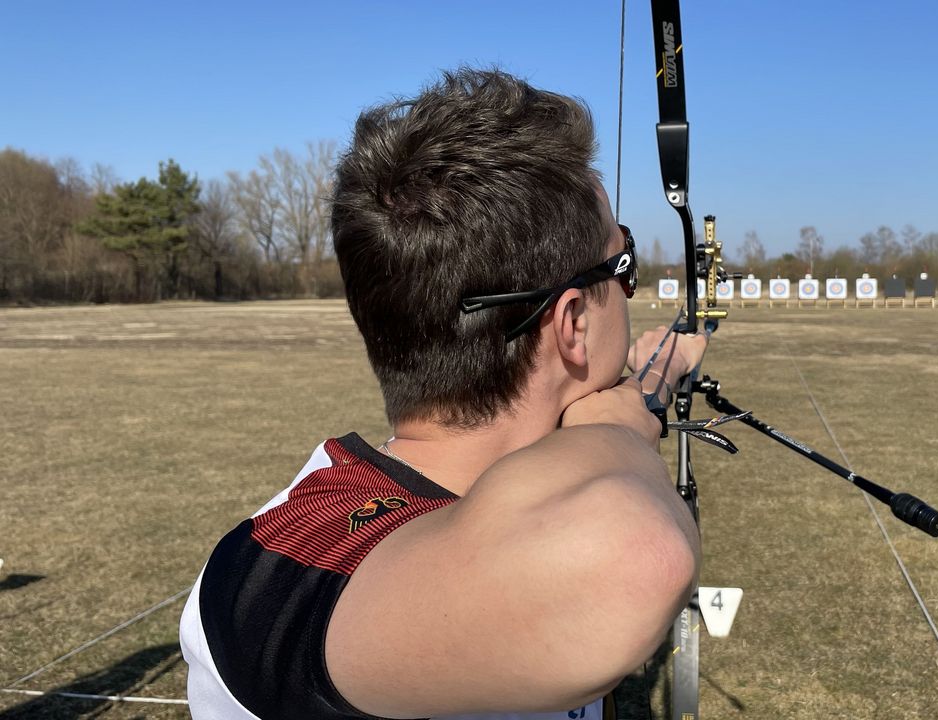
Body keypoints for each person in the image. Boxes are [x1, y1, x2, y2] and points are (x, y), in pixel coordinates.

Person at [179, 68, 706, 720]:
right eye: (624, 266)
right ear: (573, 325)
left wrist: (651, 379)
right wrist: (620, 427)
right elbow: (639, 557)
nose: (631, 290)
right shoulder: (285, 567)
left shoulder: (315, 511)